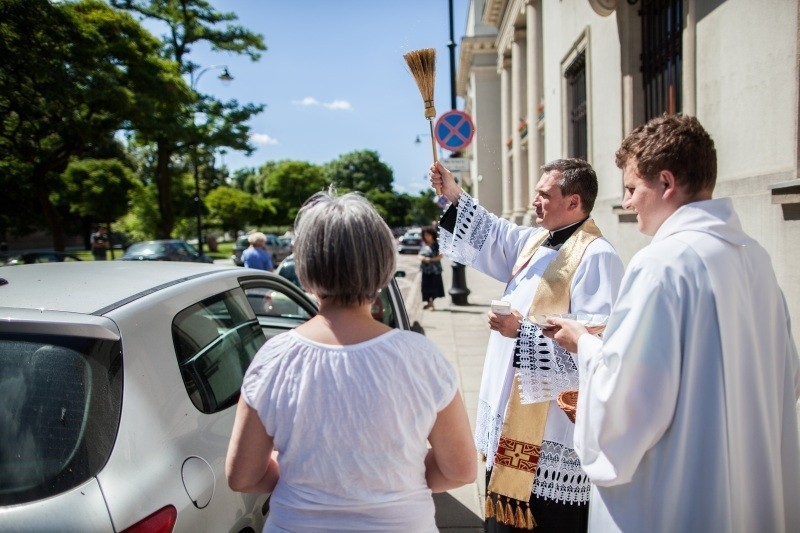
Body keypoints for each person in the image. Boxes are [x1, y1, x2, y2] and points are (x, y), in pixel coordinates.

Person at [546, 114, 800, 532]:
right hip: (747, 491)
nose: (626, 203)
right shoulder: (756, 257)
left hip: (679, 499)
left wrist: (585, 345)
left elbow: (627, 403)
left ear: (665, 183)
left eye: (631, 188)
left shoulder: (661, 264)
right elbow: (788, 375)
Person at [226, 190, 476, 532]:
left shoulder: (274, 357)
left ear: (305, 266)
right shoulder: (421, 357)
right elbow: (460, 469)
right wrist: (398, 484)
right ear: (384, 265)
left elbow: (243, 476)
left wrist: (311, 481)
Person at [429, 159, 625, 532]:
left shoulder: (597, 255)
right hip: (508, 414)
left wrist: (523, 332)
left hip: (549, 428)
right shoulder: (535, 241)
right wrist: (454, 194)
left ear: (574, 202)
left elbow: (596, 342)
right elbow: (496, 234)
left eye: (544, 195)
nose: (535, 202)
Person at [418, 225, 445, 310]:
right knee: (425, 287)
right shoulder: (423, 244)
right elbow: (419, 255)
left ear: (432, 235)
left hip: (435, 270)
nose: (426, 237)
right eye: (425, 235)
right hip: (425, 270)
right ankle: (429, 303)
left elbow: (440, 256)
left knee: (434, 287)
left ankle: (431, 303)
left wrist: (431, 260)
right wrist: (423, 258)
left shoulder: (436, 245)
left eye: (428, 235)